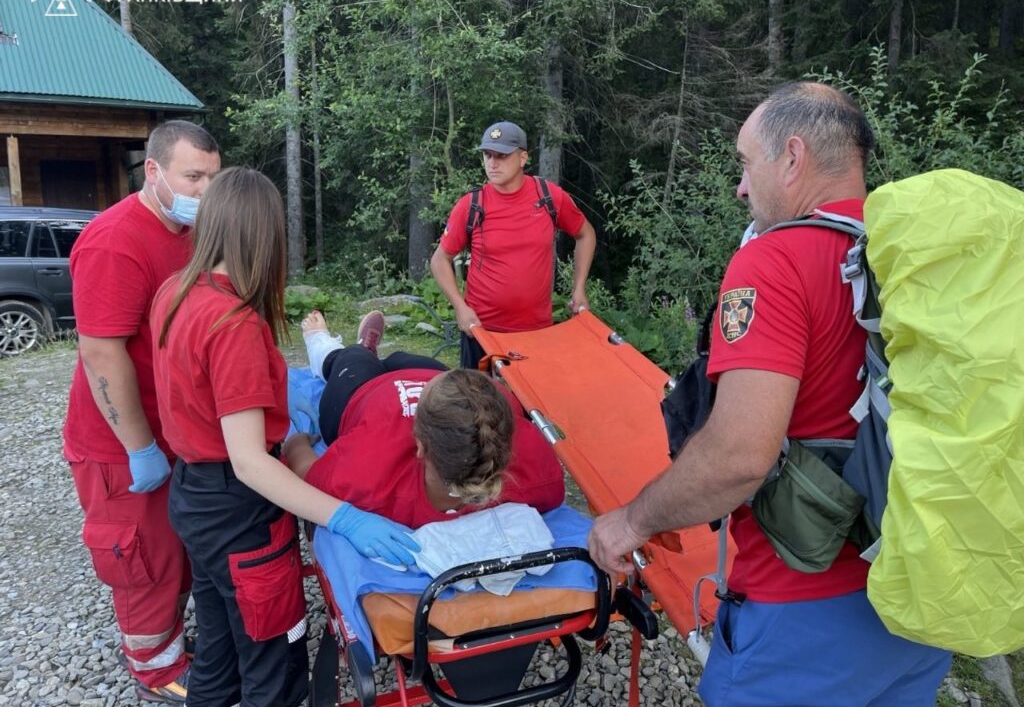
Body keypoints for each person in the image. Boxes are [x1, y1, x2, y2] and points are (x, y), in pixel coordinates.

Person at [587, 83, 951, 706]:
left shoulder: (775, 260)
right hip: (919, 594)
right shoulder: (918, 255)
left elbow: (739, 456)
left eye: (745, 163)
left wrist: (630, 522)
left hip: (803, 614)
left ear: (792, 157)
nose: (740, 187)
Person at [150, 168, 419, 707]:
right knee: (273, 661)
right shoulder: (234, 325)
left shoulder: (176, 291)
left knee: (220, 651)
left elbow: (205, 401)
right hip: (239, 511)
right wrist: (343, 516)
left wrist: (283, 424)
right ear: (266, 237)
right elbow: (249, 462)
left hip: (194, 497)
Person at [62, 120, 220, 704]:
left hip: (175, 430)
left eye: (213, 177)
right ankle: (155, 668)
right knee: (142, 558)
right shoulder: (115, 241)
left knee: (175, 548)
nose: (205, 190)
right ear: (153, 171)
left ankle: (172, 641)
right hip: (121, 442)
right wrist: (139, 446)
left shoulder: (188, 229)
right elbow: (101, 352)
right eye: (193, 176)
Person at [285, 310, 566, 527]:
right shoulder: (540, 476)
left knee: (353, 359)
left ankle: (326, 345)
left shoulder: (367, 471)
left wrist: (298, 441)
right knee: (401, 359)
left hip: (361, 393)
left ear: (419, 445)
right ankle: (376, 355)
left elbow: (305, 470)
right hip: (443, 382)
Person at [430, 121, 597, 369]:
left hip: (537, 332)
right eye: (488, 155)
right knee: (477, 395)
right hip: (481, 331)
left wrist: (579, 288)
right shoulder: (471, 205)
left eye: (502, 156)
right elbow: (439, 259)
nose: (492, 163)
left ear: (522, 158)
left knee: (532, 395)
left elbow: (586, 235)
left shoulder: (548, 197)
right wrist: (459, 307)